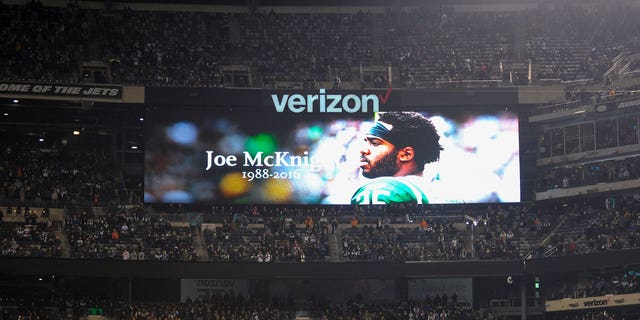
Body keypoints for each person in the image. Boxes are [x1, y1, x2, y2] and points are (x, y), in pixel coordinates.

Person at [351, 111, 442, 205]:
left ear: (406, 154)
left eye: (375, 143)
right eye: (366, 142)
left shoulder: (381, 191)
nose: (363, 150)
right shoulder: (436, 192)